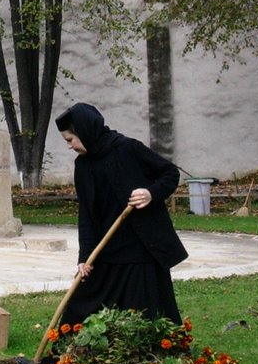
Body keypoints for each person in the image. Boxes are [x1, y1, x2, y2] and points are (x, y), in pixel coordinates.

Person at [55, 102, 187, 327]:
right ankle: (67, 359)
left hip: (141, 249)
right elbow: (86, 214)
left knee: (143, 312)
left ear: (85, 130)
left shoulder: (127, 148)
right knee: (82, 302)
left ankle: (148, 358)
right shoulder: (83, 166)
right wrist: (84, 258)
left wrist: (150, 193)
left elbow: (169, 172)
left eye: (70, 140)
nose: (69, 146)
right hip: (106, 249)